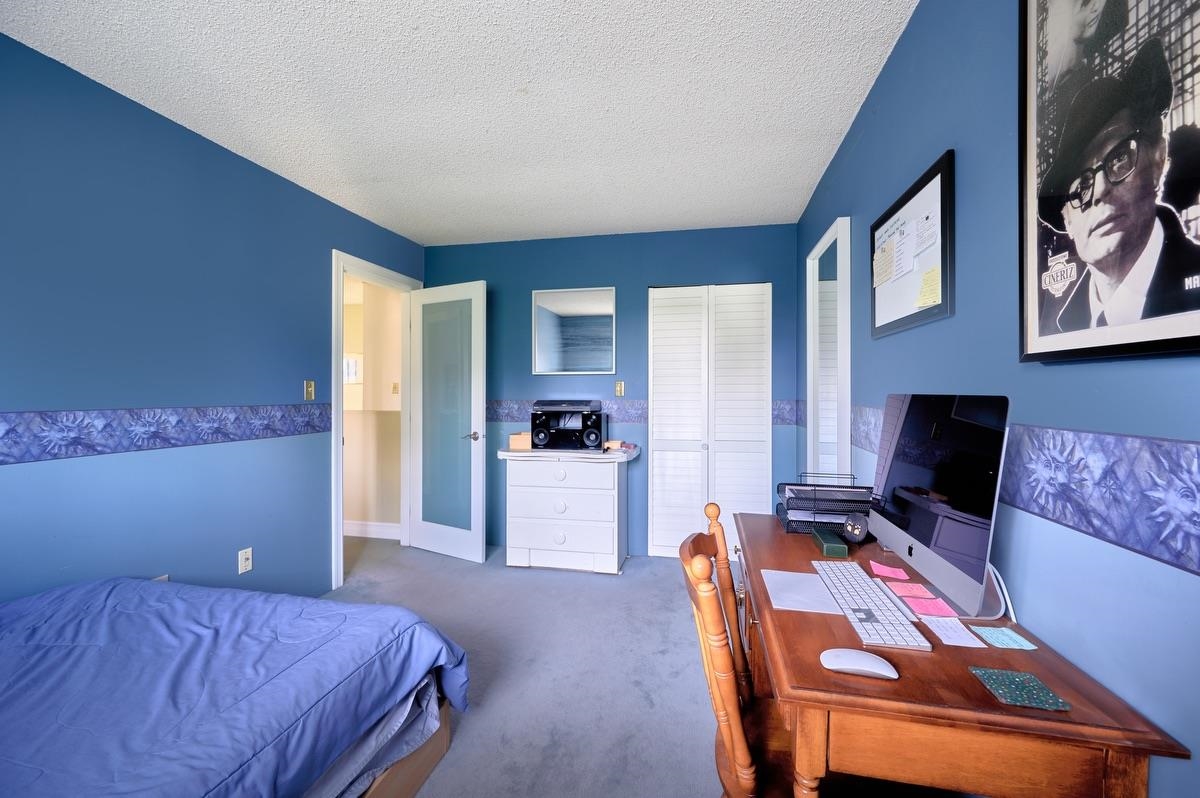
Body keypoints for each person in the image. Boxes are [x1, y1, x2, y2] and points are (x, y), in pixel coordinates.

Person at [1037, 38, 1200, 333]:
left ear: (1158, 159)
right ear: (1067, 220)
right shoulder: (1056, 326)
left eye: (1119, 158)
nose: (1099, 191)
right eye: (1081, 186)